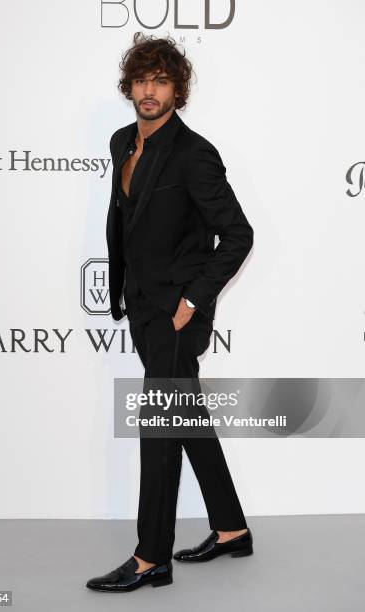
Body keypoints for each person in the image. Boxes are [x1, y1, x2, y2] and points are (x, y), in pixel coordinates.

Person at [86, 32, 254, 593]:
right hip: (143, 305)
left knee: (159, 428)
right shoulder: (121, 142)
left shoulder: (194, 153)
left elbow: (237, 234)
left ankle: (150, 558)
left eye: (161, 81)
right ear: (129, 86)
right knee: (187, 419)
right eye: (141, 80)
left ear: (177, 90)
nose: (149, 91)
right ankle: (231, 529)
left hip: (178, 312)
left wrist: (192, 300)